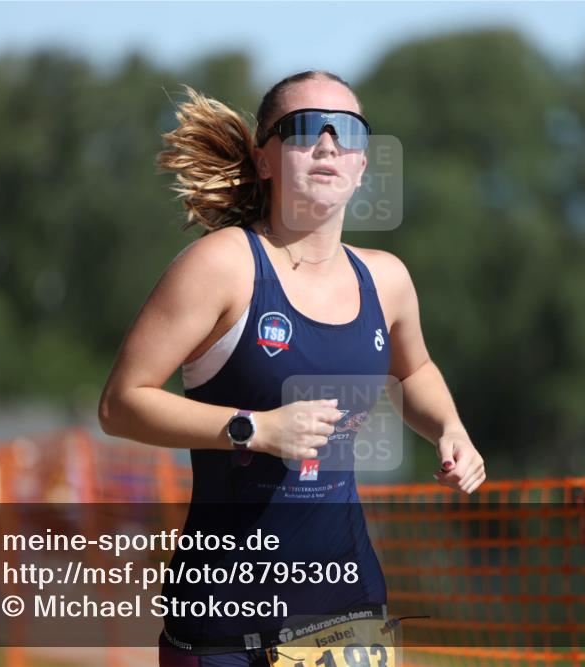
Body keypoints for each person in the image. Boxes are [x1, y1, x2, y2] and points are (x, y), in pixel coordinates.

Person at [98, 69, 486, 667]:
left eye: (349, 133)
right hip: (224, 624)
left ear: (362, 164)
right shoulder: (222, 265)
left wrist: (449, 429)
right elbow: (121, 403)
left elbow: (413, 372)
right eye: (305, 128)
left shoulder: (387, 279)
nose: (328, 143)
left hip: (348, 614)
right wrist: (255, 428)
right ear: (265, 160)